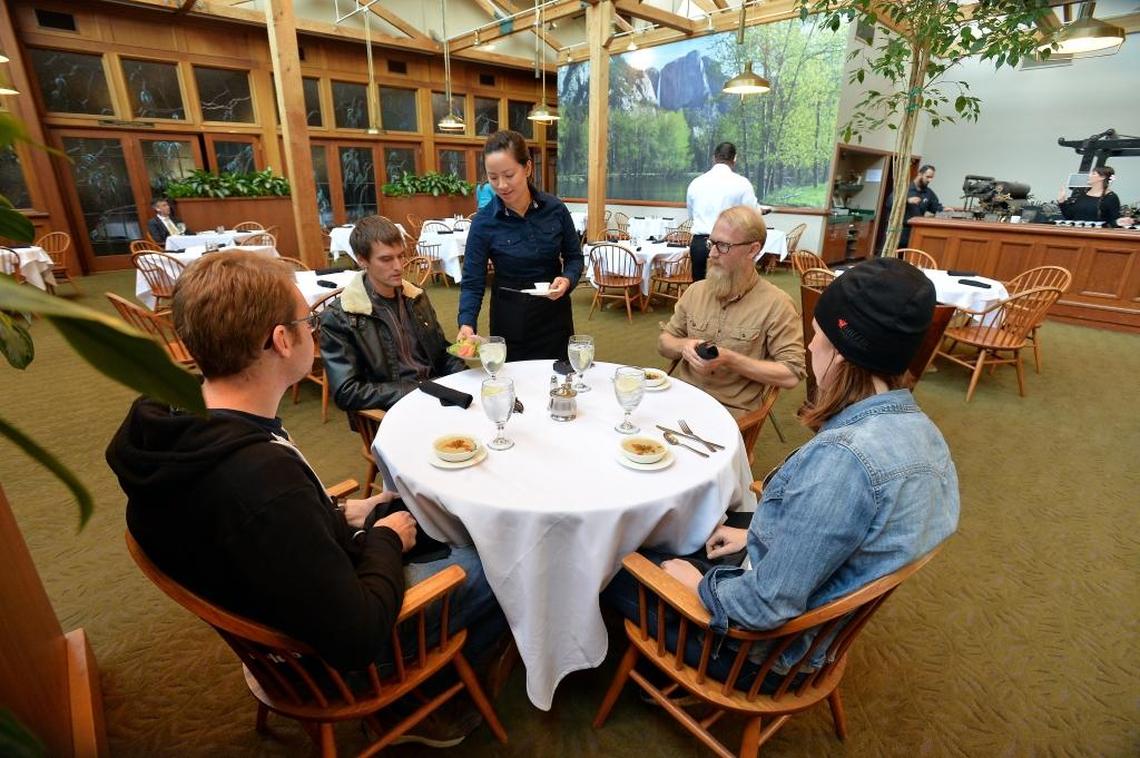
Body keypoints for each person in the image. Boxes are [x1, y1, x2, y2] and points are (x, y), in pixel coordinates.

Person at [106, 252, 506, 746]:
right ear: (280, 340)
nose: (313, 329)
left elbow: (264, 532)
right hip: (325, 658)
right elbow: (355, 636)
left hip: (276, 603)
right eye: (308, 320)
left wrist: (337, 514)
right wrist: (383, 539)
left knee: (416, 516)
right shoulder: (260, 481)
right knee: (494, 560)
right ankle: (419, 698)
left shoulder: (167, 421)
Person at [606, 256, 960, 692]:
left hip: (761, 656)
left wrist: (699, 588)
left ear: (845, 354)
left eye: (818, 339)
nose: (810, 350)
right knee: (706, 529)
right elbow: (836, 533)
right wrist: (757, 536)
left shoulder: (845, 462)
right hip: (811, 620)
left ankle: (649, 678)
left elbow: (762, 607)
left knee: (614, 562)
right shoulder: (924, 435)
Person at [658, 205, 805, 419]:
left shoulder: (777, 304)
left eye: (723, 246)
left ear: (753, 250)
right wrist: (683, 346)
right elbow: (664, 343)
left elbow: (791, 374)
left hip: (730, 413)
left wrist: (729, 359)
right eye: (711, 242)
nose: (712, 253)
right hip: (682, 401)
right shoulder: (696, 291)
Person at [457, 129, 584, 361]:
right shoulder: (484, 223)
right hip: (510, 321)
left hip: (555, 317)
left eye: (508, 175)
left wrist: (567, 280)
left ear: (527, 168)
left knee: (559, 384)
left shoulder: (555, 209)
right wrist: (467, 323)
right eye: (493, 178)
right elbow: (473, 282)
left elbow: (575, 257)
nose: (502, 185)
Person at [321, 215, 467, 412]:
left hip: (437, 395)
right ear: (362, 260)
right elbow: (347, 391)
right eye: (386, 259)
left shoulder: (416, 297)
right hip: (395, 409)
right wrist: (418, 390)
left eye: (401, 256)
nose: (398, 266)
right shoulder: (342, 316)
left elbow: (440, 351)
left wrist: (463, 375)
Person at [685, 142, 759, 281]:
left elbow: (691, 216)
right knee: (728, 290)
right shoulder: (742, 183)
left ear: (714, 158)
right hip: (728, 246)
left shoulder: (696, 182)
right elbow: (752, 215)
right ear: (734, 159)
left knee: (699, 291)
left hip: (699, 245)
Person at [886, 164, 943, 249]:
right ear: (920, 174)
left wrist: (944, 209)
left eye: (931, 178)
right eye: (928, 177)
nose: (929, 180)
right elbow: (889, 203)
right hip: (898, 229)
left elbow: (935, 207)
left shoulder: (928, 193)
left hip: (915, 231)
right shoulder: (904, 188)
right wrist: (907, 200)